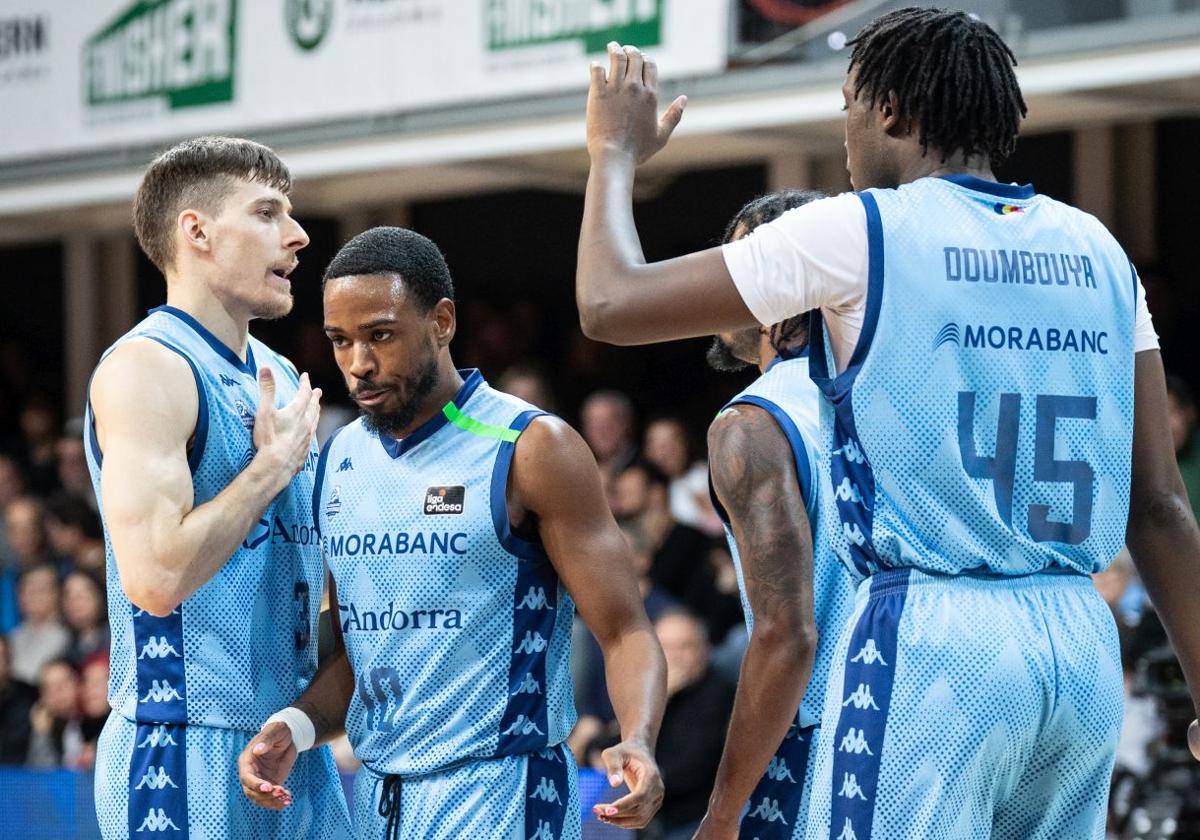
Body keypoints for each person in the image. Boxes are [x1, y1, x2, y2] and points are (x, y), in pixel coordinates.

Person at [575, 9, 1200, 838]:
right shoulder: (1101, 252)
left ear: (894, 112)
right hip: (1079, 648)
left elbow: (609, 303)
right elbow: (1158, 508)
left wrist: (613, 156)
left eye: (847, 109)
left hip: (936, 640)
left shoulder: (862, 229)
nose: (844, 137)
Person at [238, 226, 666, 838]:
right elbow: (358, 652)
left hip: (504, 793)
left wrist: (640, 738)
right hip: (383, 800)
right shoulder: (336, 460)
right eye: (341, 341)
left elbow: (625, 629)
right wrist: (297, 726)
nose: (358, 364)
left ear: (442, 322)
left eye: (380, 335)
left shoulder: (532, 446)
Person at [83, 136, 348, 838]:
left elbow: (306, 571)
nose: (296, 237)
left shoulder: (282, 377)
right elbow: (156, 578)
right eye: (267, 213)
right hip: (182, 740)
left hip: (290, 741)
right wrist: (267, 470)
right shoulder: (147, 369)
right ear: (195, 231)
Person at [700, 190, 860, 840]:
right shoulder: (903, 393)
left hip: (825, 732)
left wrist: (722, 809)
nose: (720, 286)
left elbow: (787, 637)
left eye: (740, 265)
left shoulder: (752, 423)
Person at [648, 609, 736, 840]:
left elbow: (693, 768)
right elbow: (605, 746)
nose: (675, 656)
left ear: (705, 650)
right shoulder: (647, 691)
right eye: (666, 647)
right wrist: (660, 699)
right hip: (643, 813)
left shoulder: (720, 694)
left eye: (685, 646)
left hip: (690, 819)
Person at [8, 563, 70, 685]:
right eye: (25, 589)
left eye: (39, 590)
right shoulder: (14, 635)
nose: (30, 595)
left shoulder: (66, 636)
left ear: (56, 594)